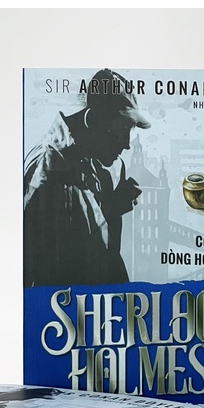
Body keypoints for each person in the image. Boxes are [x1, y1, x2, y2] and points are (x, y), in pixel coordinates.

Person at [24, 69, 150, 286]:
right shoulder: (49, 170)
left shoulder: (91, 161)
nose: (126, 144)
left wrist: (109, 210)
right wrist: (109, 210)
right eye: (121, 132)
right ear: (94, 121)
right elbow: (49, 269)